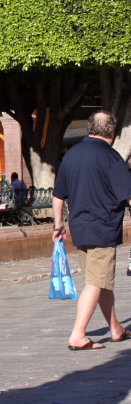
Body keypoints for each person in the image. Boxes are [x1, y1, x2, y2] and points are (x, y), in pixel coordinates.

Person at [53, 110, 131, 350]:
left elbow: (58, 196)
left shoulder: (72, 155)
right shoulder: (111, 158)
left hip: (80, 227)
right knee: (96, 282)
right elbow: (128, 197)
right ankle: (78, 335)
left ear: (90, 128)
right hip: (103, 227)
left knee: (100, 280)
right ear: (112, 131)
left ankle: (115, 328)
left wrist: (58, 225)